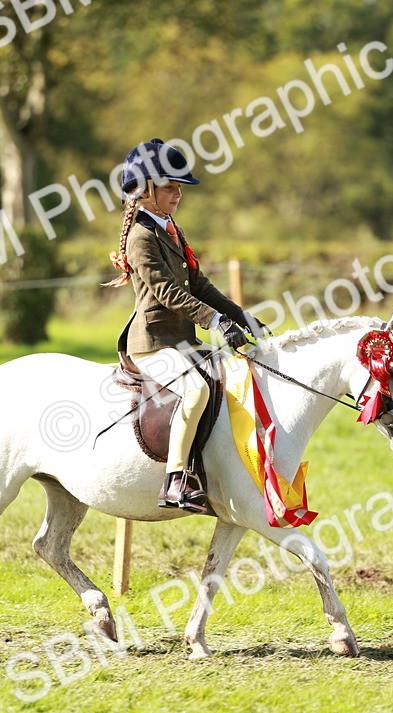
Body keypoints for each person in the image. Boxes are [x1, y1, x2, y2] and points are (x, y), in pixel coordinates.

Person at [105, 138, 266, 511]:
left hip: (181, 340)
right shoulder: (141, 237)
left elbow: (199, 285)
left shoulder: (169, 226)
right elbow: (167, 293)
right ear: (144, 191)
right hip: (152, 343)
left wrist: (240, 315)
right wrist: (215, 321)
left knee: (232, 376)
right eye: (169, 187)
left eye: (179, 188)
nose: (178, 194)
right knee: (195, 391)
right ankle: (175, 480)